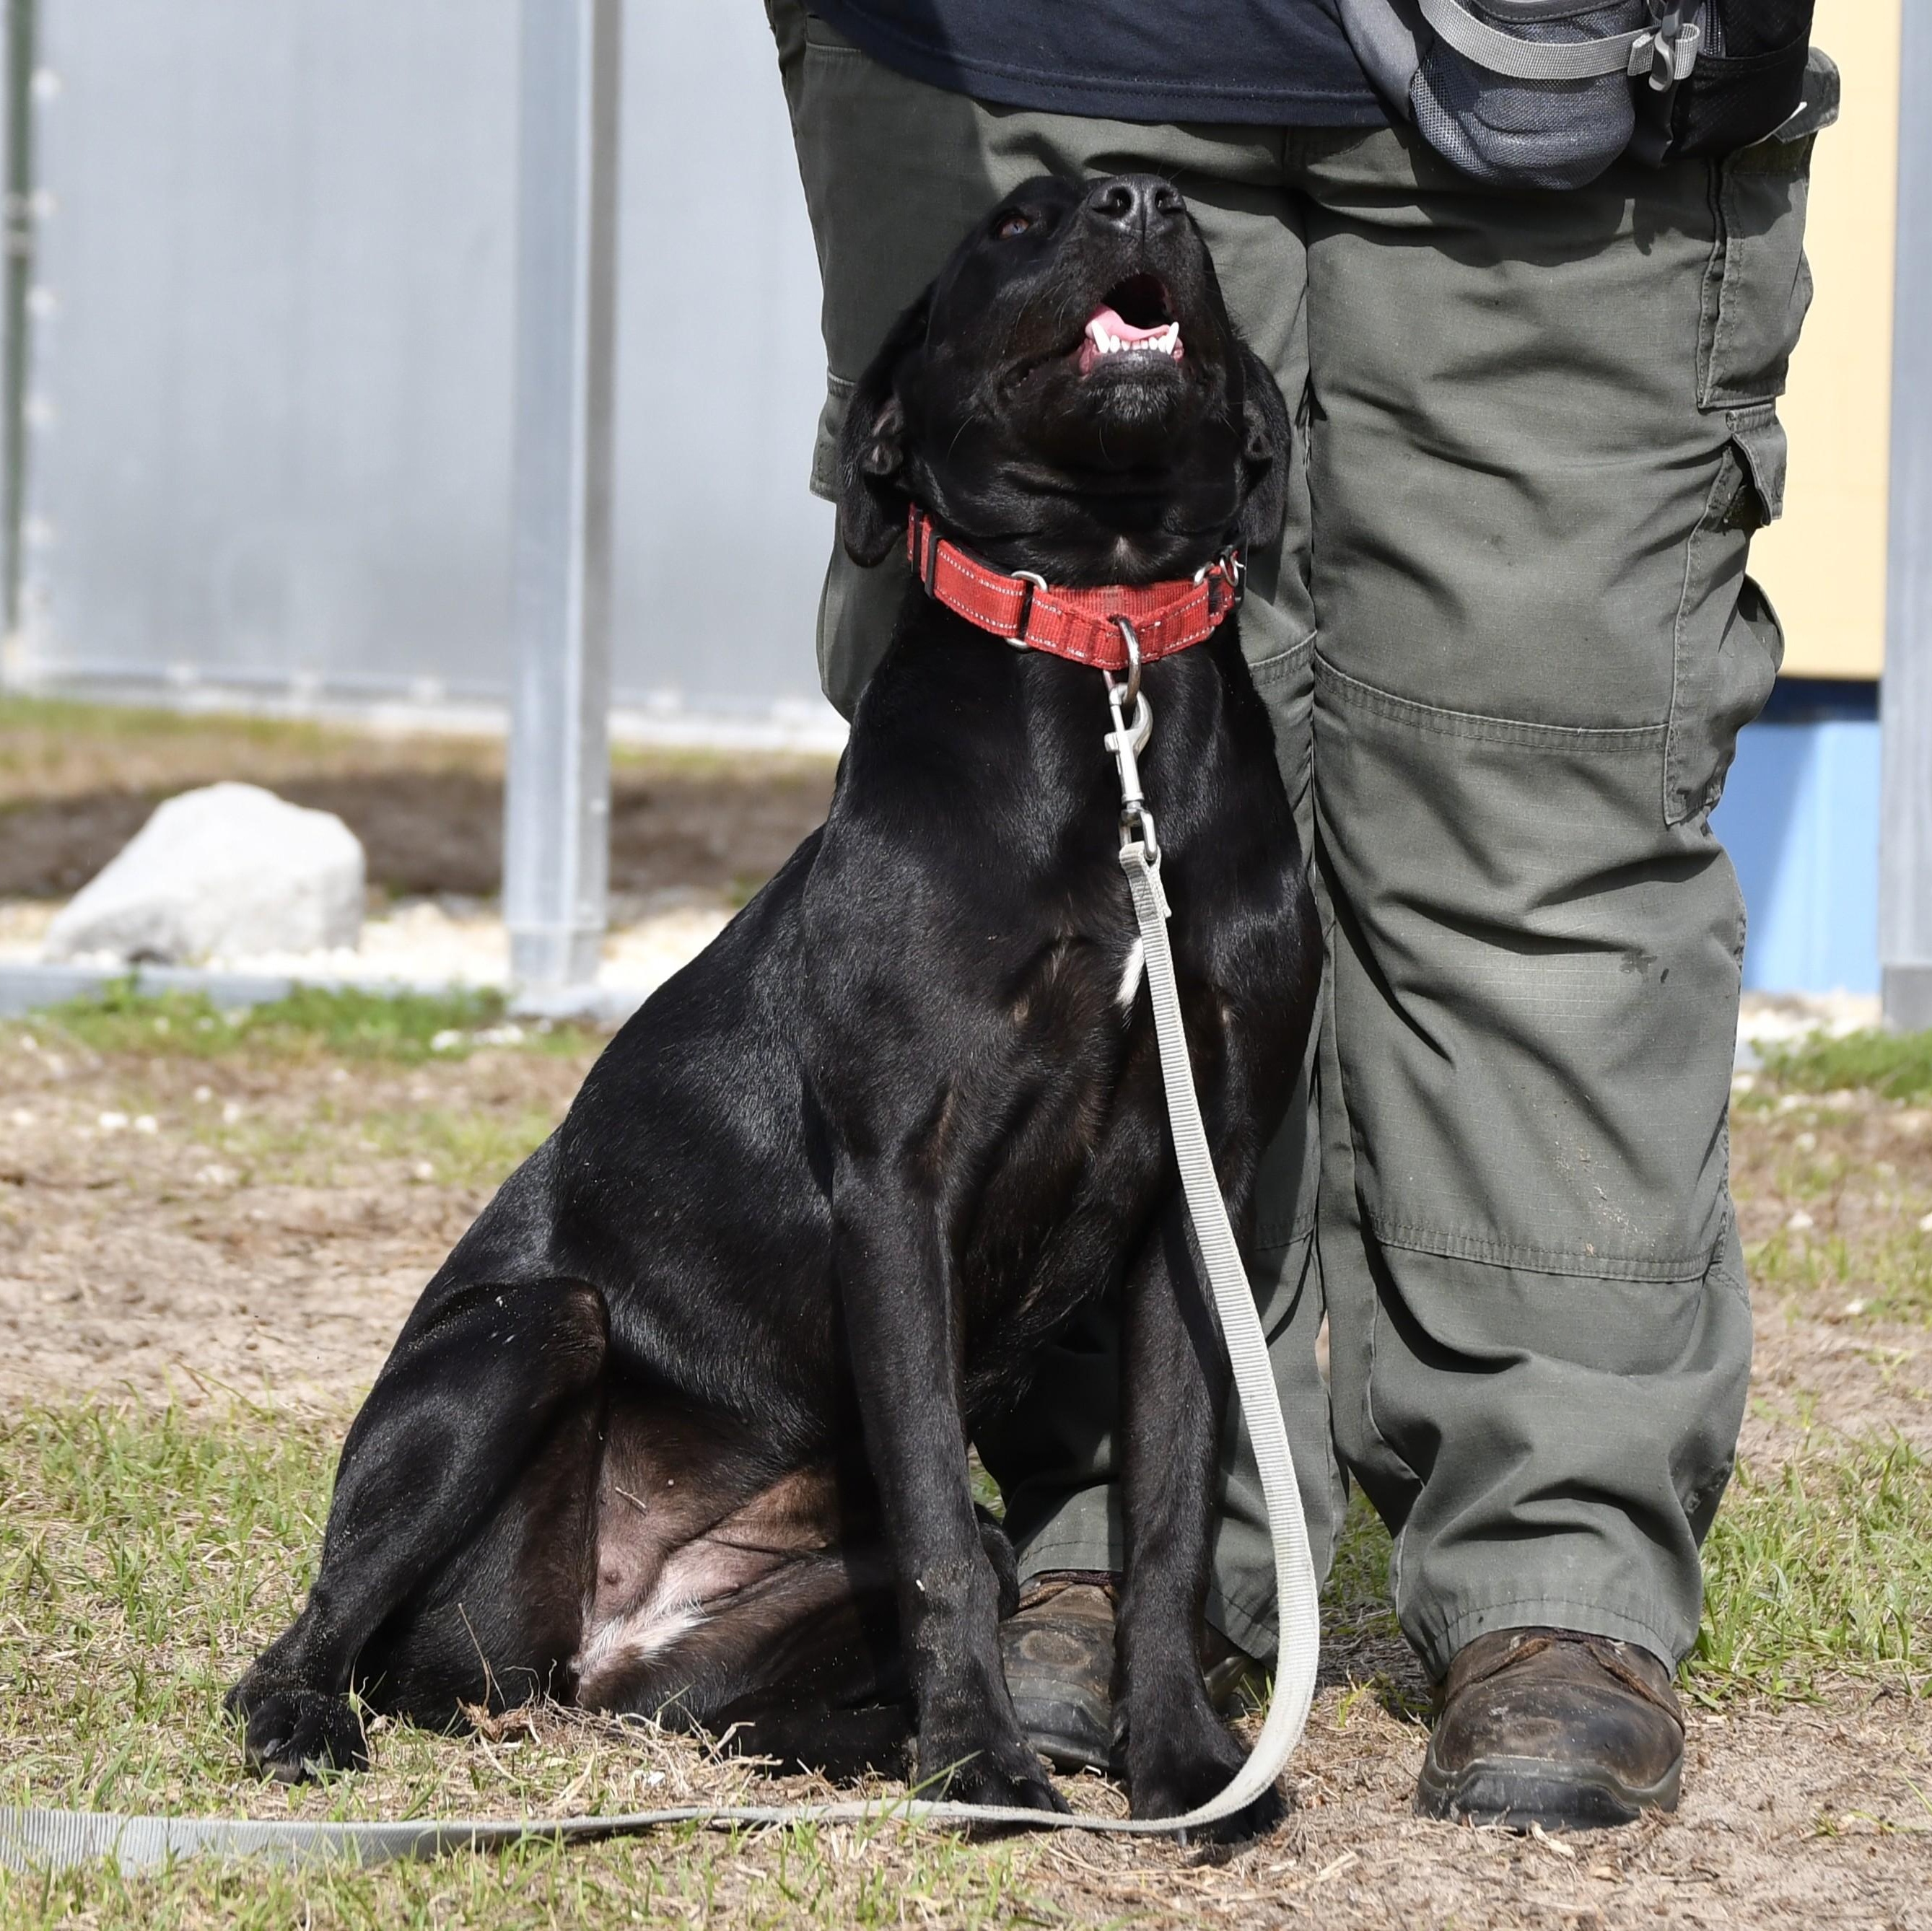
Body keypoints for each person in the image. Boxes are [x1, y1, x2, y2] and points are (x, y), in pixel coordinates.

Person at [764, 0, 1827, 1829]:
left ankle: (1551, 1586)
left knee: (1545, 846)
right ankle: (1113, 1540)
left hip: (1584, 78)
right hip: (1019, 57)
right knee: (1028, 867)